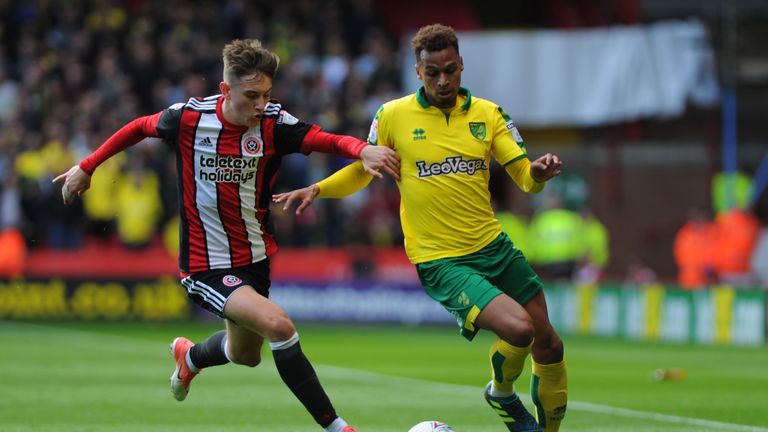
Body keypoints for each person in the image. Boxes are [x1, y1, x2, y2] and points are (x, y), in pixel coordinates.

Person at [54, 39, 400, 432]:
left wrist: (362, 150)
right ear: (225, 90)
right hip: (206, 264)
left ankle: (191, 358)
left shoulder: (273, 123)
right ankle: (338, 427)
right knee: (280, 326)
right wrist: (87, 165)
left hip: (256, 259)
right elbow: (138, 128)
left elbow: (327, 139)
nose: (260, 104)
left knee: (245, 354)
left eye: (267, 94)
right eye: (251, 95)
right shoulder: (189, 118)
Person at [274, 24, 567, 432]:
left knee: (550, 344)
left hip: (493, 247)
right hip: (441, 259)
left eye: (450, 69)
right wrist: (318, 188)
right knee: (519, 329)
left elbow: (524, 176)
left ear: (461, 65)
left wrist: (537, 172)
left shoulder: (489, 114)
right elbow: (365, 170)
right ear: (418, 71)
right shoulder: (393, 115)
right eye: (433, 72)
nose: (443, 80)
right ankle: (501, 392)